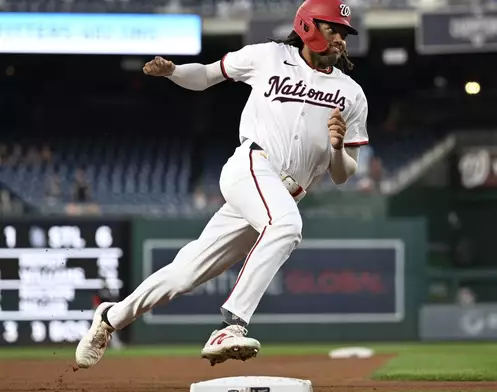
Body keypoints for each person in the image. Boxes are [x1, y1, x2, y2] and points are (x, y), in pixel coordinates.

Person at [75, 0, 368, 369]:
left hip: (279, 195)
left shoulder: (352, 93)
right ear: (308, 26)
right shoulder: (269, 57)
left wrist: (338, 148)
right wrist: (174, 71)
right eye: (333, 28)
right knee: (288, 225)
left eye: (344, 32)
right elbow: (208, 75)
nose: (341, 38)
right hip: (251, 167)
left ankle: (109, 318)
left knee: (185, 273)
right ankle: (231, 326)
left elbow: (342, 175)